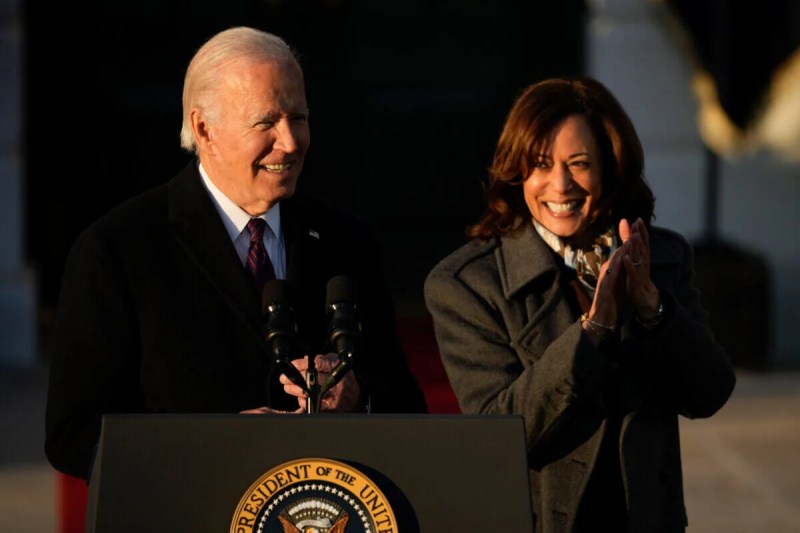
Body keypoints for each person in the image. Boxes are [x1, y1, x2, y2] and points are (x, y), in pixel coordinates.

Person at [45, 26, 428, 481]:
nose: (290, 142)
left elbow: (405, 405)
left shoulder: (346, 241)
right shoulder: (117, 250)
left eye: (299, 118)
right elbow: (75, 435)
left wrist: (357, 397)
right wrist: (214, 444)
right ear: (204, 128)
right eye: (266, 123)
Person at [424, 76, 735, 532]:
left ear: (610, 166)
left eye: (580, 163)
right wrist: (593, 333)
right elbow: (497, 435)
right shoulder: (467, 284)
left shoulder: (663, 257)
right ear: (517, 172)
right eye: (541, 164)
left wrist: (653, 309)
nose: (560, 185)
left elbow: (709, 393)